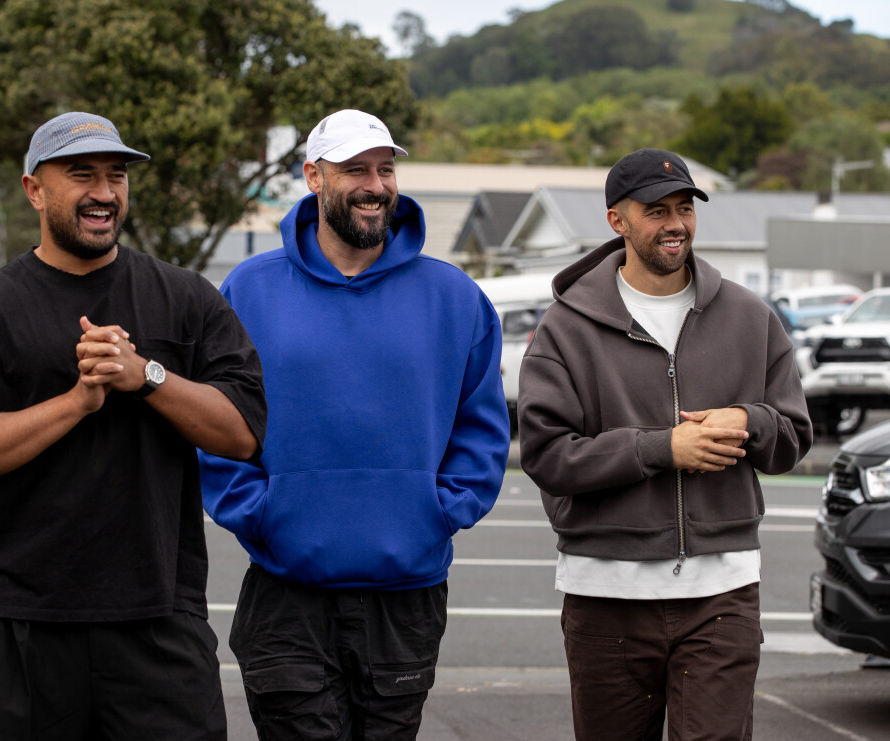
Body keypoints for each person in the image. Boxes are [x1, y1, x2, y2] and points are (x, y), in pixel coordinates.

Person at [0, 111, 267, 740]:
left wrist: (147, 376)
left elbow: (242, 433)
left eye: (116, 176)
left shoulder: (186, 298)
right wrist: (77, 402)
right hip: (20, 619)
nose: (104, 192)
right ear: (34, 190)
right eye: (82, 175)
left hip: (160, 614)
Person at [199, 108, 510, 739]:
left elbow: (481, 429)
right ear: (314, 177)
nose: (375, 185)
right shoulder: (249, 290)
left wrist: (438, 513)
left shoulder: (455, 297)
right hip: (285, 591)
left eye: (385, 169)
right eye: (355, 169)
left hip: (407, 594)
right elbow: (217, 420)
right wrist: (261, 514)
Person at [518, 148, 812, 740]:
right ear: (617, 221)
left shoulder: (749, 316)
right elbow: (548, 456)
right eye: (656, 211)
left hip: (722, 594)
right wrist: (661, 449)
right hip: (605, 595)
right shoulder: (566, 327)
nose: (675, 223)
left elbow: (792, 437)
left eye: (684, 208)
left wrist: (749, 419)